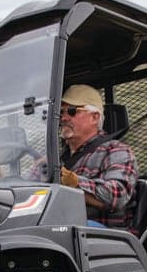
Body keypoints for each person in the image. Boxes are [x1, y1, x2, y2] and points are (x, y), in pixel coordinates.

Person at [56, 84, 138, 230]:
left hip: (103, 236)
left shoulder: (116, 150)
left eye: (72, 111)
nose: (64, 117)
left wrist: (75, 183)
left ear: (94, 117)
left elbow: (117, 195)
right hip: (61, 229)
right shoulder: (55, 158)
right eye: (61, 112)